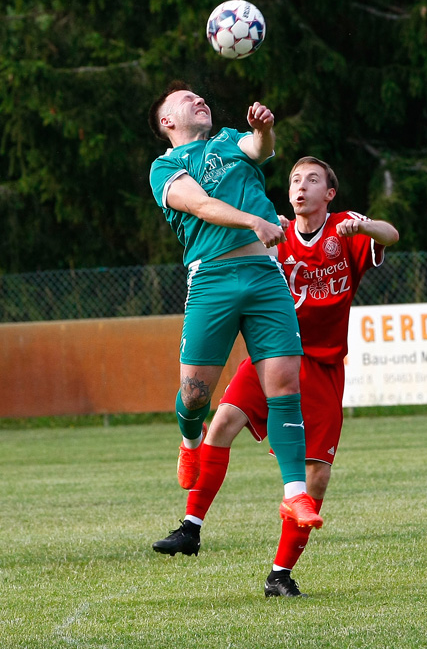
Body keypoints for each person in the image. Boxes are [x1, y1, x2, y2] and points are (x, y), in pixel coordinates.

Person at [152, 156, 399, 598]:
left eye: (313, 180)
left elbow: (392, 234)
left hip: (321, 366)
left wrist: (363, 229)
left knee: (317, 476)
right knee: (224, 420)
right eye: (294, 180)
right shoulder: (272, 233)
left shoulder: (345, 228)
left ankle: (279, 574)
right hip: (272, 354)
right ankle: (190, 527)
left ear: (330, 193)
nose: (301, 187)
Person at [147, 81, 323, 531]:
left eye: (200, 95)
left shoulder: (228, 139)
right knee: (194, 394)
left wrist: (263, 129)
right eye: (186, 99)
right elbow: (202, 205)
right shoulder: (165, 166)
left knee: (283, 386)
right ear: (168, 121)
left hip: (265, 276)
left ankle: (296, 495)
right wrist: (255, 221)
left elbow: (260, 149)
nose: (198, 99)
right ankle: (190, 440)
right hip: (213, 279)